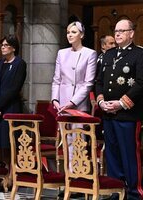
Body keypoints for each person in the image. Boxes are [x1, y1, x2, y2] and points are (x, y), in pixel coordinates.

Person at [96, 19, 143, 199]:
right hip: (108, 114)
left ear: (131, 33)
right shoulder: (108, 55)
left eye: (122, 31)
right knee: (112, 155)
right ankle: (116, 192)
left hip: (128, 114)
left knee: (129, 155)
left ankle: (133, 193)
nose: (117, 34)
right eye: (116, 31)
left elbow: (141, 83)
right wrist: (101, 102)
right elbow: (99, 82)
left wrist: (121, 103)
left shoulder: (139, 54)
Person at [51, 20, 97, 167]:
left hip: (78, 105)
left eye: (74, 32)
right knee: (66, 142)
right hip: (62, 105)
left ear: (82, 35)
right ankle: (68, 180)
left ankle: (78, 179)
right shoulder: (61, 53)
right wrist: (55, 100)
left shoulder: (90, 54)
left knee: (78, 142)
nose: (70, 35)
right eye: (68, 32)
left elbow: (88, 83)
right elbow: (56, 80)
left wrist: (72, 102)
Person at [0, 34, 27, 189]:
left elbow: (14, 89)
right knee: (2, 145)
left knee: (12, 145)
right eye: (2, 45)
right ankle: (5, 179)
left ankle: (12, 179)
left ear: (14, 47)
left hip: (10, 110)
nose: (3, 47)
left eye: (6, 45)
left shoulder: (20, 64)